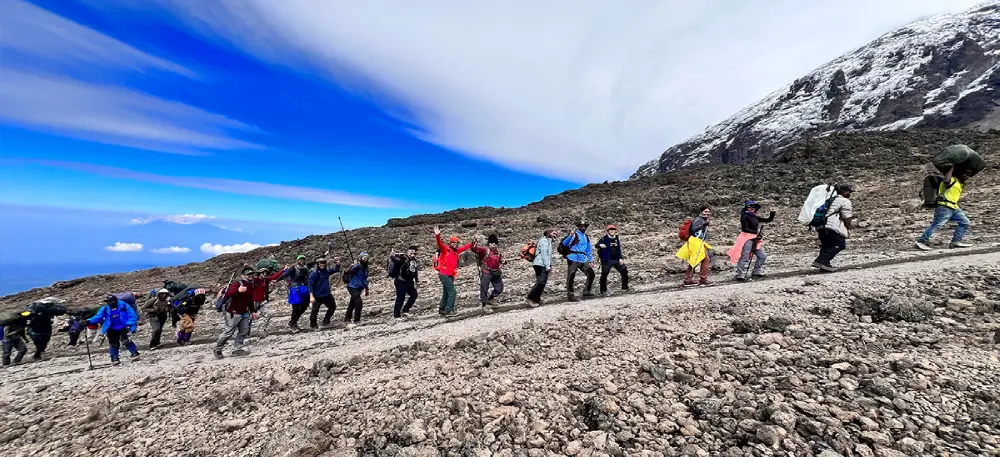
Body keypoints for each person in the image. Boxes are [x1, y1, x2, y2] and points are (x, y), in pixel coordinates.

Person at [917, 164, 974, 251]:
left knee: (965, 222)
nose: (967, 177)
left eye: (968, 175)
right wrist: (952, 168)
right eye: (965, 174)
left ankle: (955, 242)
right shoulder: (952, 179)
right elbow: (946, 181)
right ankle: (922, 241)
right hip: (944, 206)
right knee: (937, 224)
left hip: (954, 207)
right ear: (959, 173)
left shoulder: (959, 183)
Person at [214, 267, 257, 359]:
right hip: (233, 312)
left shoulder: (251, 285)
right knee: (229, 331)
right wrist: (238, 290)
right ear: (243, 275)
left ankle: (237, 349)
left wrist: (253, 311)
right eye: (248, 274)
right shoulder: (237, 283)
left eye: (252, 274)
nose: (250, 276)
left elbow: (250, 300)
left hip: (244, 312)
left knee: (244, 330)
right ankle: (218, 349)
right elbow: (228, 293)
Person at [812, 184, 857, 272]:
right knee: (840, 244)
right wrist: (849, 227)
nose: (849, 194)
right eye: (848, 192)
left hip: (821, 226)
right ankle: (821, 261)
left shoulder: (829, 200)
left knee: (826, 245)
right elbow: (846, 216)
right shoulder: (844, 201)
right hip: (832, 226)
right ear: (843, 192)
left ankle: (825, 266)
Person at [87, 295, 140, 366]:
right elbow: (98, 317)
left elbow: (132, 315)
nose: (109, 303)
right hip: (111, 328)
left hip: (124, 326)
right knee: (113, 343)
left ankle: (134, 353)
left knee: (126, 340)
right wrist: (88, 321)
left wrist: (129, 324)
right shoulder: (105, 309)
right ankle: (115, 358)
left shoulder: (124, 305)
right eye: (107, 302)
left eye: (111, 301)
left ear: (115, 301)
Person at [433, 226, 474, 317]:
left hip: (450, 275)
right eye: (454, 243)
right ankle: (449, 310)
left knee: (446, 292)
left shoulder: (456, 251)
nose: (456, 244)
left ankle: (442, 309)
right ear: (450, 243)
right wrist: (437, 235)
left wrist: (473, 242)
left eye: (457, 243)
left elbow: (465, 247)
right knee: (453, 292)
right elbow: (439, 243)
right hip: (444, 274)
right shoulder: (445, 249)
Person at [730, 201, 775, 281]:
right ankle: (740, 274)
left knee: (762, 256)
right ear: (747, 208)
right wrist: (755, 235)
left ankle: (756, 271)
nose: (752, 208)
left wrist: (772, 212)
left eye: (753, 207)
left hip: (755, 239)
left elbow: (768, 220)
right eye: (750, 207)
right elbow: (745, 229)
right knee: (745, 256)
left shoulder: (755, 217)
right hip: (746, 239)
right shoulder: (745, 216)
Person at [678, 206, 714, 286]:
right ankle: (701, 279)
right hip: (695, 242)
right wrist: (704, 225)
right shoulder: (698, 219)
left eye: (708, 212)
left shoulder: (703, 220)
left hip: (698, 242)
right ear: (701, 212)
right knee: (701, 260)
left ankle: (691, 279)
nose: (707, 213)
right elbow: (693, 229)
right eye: (705, 212)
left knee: (697, 260)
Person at [275, 255, 312, 333]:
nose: (302, 261)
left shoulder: (306, 267)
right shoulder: (293, 268)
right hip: (295, 289)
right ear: (297, 260)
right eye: (300, 259)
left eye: (303, 259)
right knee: (295, 308)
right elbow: (285, 275)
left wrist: (325, 254)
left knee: (305, 306)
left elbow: (315, 261)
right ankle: (293, 324)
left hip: (304, 288)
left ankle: (293, 321)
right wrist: (276, 280)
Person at [562, 218, 595, 302]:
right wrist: (570, 236)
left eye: (585, 226)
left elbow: (588, 249)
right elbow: (564, 243)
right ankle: (570, 295)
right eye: (581, 226)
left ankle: (587, 291)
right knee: (571, 276)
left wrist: (591, 260)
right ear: (578, 227)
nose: (583, 227)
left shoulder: (586, 237)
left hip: (582, 259)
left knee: (591, 274)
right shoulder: (575, 235)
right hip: (573, 257)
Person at [471, 234, 504, 313]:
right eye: (492, 243)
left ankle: (490, 299)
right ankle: (484, 305)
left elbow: (500, 259)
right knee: (484, 288)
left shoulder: (498, 251)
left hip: (496, 272)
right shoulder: (484, 250)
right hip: (486, 271)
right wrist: (474, 241)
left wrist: (503, 261)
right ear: (489, 243)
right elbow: (474, 249)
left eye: (495, 243)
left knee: (500, 288)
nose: (494, 245)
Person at [526, 229, 558, 307]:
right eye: (554, 233)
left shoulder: (548, 241)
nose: (555, 235)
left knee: (542, 282)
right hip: (540, 264)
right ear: (549, 233)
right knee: (540, 282)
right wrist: (547, 266)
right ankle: (530, 298)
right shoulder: (544, 241)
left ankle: (537, 299)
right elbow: (544, 254)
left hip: (542, 264)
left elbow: (548, 255)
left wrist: (549, 265)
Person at [308, 257, 341, 329]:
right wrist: (311, 296)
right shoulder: (314, 273)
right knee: (315, 311)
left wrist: (337, 263)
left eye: (323, 263)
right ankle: (313, 325)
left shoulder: (326, 271)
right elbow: (310, 284)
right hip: (317, 296)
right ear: (317, 264)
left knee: (333, 307)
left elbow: (336, 269)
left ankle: (326, 321)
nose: (322, 264)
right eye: (320, 263)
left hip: (327, 294)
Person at [251, 267, 285, 338]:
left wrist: (283, 270)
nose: (264, 274)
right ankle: (246, 331)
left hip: (262, 301)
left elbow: (274, 277)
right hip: (253, 302)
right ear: (259, 274)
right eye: (263, 273)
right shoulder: (255, 280)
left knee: (268, 314)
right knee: (249, 318)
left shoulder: (266, 280)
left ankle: (263, 330)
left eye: (266, 273)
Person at [596, 225, 630, 296]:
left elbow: (618, 249)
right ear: (608, 231)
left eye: (613, 230)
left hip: (616, 259)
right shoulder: (604, 238)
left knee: (624, 270)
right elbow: (597, 245)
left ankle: (625, 287)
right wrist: (600, 245)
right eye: (610, 230)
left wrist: (620, 258)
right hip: (606, 260)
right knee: (604, 274)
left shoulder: (616, 238)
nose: (612, 231)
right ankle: (603, 290)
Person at [389, 246, 421, 321]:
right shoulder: (403, 258)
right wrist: (392, 256)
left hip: (410, 282)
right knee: (400, 297)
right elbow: (396, 261)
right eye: (411, 253)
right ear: (408, 252)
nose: (412, 255)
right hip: (401, 281)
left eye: (414, 253)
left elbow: (414, 271)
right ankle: (397, 315)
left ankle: (405, 310)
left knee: (414, 295)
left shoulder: (414, 260)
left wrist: (417, 280)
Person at [343, 252, 370, 329]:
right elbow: (349, 271)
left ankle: (347, 318)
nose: (366, 259)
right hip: (352, 286)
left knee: (352, 303)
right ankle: (357, 320)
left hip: (359, 287)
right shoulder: (357, 266)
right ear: (361, 258)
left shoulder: (366, 267)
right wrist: (352, 266)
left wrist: (366, 289)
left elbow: (364, 278)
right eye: (364, 258)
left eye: (367, 258)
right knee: (359, 302)